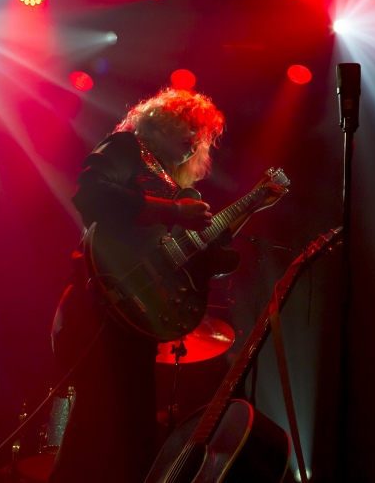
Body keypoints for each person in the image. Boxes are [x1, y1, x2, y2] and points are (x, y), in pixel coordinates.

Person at [49, 88, 287, 482]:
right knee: (97, 430)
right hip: (99, 307)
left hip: (134, 323)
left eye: (202, 135)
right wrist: (176, 210)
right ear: (160, 120)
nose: (195, 141)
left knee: (133, 437)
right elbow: (90, 194)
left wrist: (251, 208)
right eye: (189, 127)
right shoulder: (127, 147)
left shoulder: (172, 183)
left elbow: (198, 254)